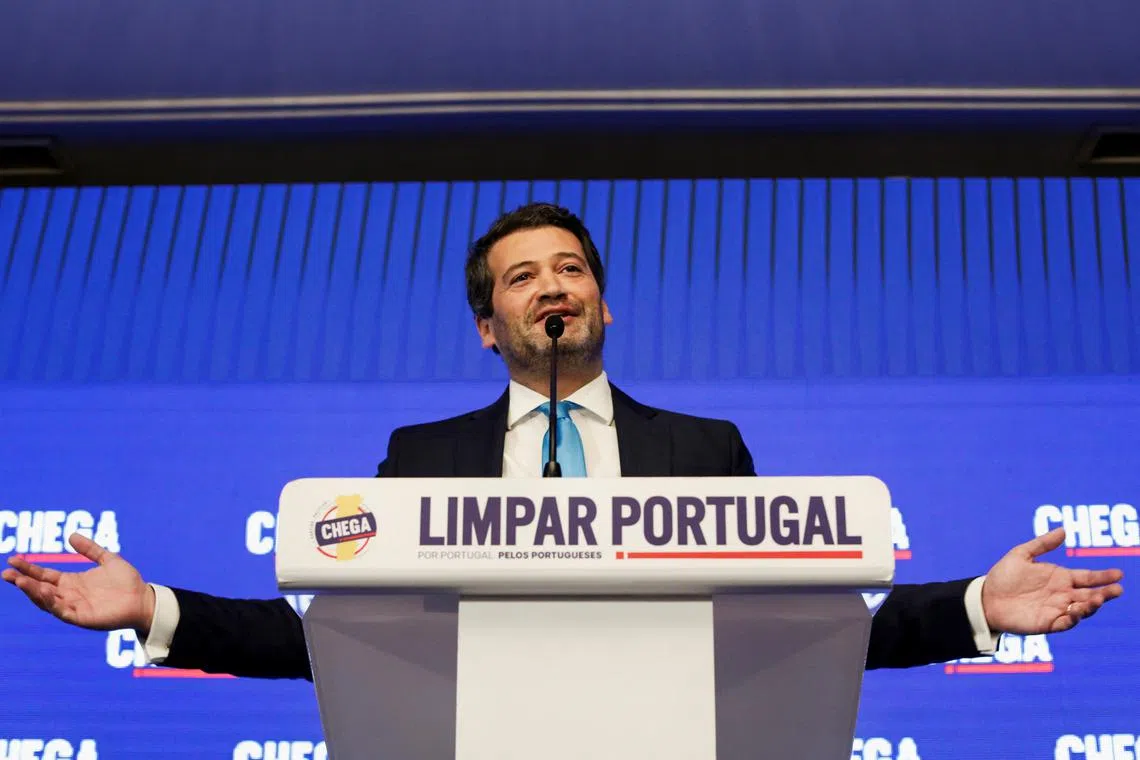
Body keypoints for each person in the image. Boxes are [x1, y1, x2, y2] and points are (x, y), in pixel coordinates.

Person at [3, 203, 1125, 680]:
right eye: (524, 277)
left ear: (605, 305)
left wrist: (980, 604)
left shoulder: (704, 450)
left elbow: (803, 633)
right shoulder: (423, 458)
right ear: (487, 325)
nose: (556, 288)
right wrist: (152, 607)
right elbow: (333, 643)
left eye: (573, 270)